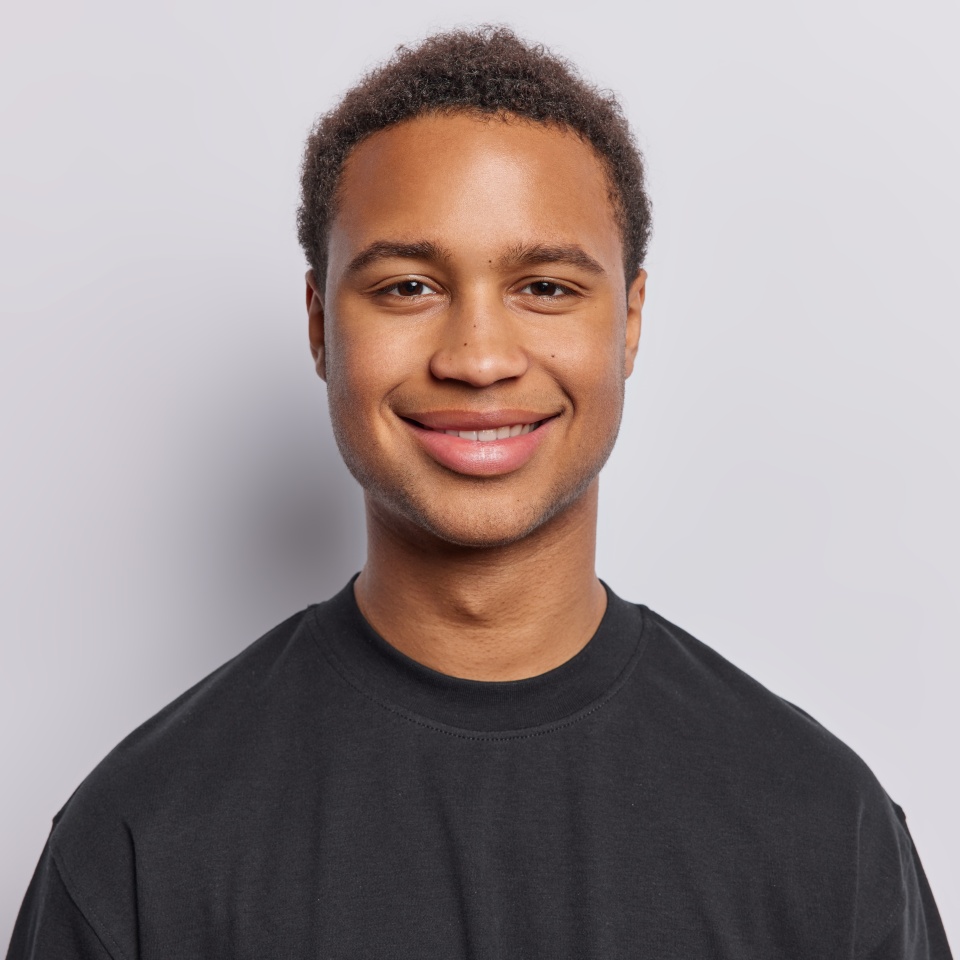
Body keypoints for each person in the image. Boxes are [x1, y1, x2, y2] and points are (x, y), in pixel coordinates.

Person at [6, 26, 952, 960]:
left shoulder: (824, 828)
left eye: (544, 287)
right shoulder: (139, 840)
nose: (479, 359)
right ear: (318, 326)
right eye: (409, 286)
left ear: (629, 322)